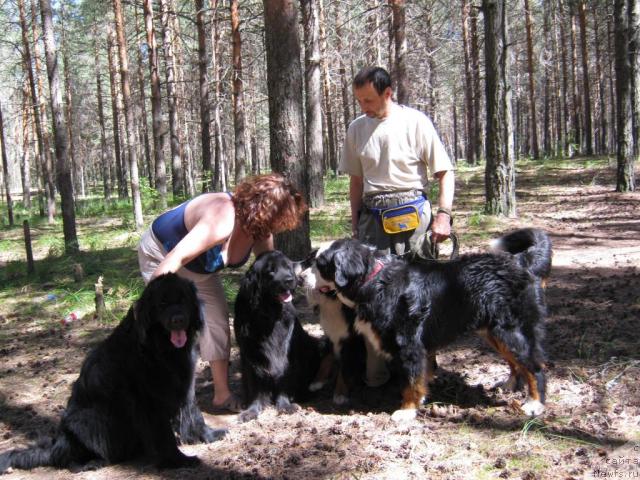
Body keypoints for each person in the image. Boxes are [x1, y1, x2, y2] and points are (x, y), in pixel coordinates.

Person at [137, 173, 307, 413]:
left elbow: (267, 266)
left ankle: (221, 395)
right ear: (265, 210)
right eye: (279, 217)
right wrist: (151, 304)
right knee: (169, 326)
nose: (279, 225)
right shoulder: (220, 218)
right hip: (162, 254)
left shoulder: (259, 227)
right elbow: (176, 258)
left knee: (216, 321)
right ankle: (156, 392)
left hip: (199, 268)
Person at [340, 66, 456, 386]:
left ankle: (424, 369)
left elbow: (445, 172)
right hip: (372, 221)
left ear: (388, 92)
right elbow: (356, 181)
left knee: (420, 294)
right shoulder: (356, 129)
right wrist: (355, 222)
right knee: (370, 294)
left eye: (368, 99)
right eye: (359, 100)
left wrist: (443, 215)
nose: (363, 106)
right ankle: (377, 374)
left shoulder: (416, 122)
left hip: (413, 220)